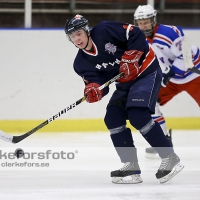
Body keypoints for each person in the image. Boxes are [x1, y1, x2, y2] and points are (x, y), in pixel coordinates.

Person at [64, 14, 184, 184]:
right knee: (112, 117)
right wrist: (94, 90)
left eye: (79, 34)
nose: (76, 39)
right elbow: (99, 84)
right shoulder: (81, 63)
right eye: (72, 36)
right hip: (125, 83)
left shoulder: (104, 30)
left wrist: (133, 55)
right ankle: (131, 166)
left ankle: (169, 157)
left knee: (137, 114)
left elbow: (135, 33)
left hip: (146, 71)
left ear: (86, 31)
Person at [134, 4, 200, 158]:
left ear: (153, 20)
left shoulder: (169, 32)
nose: (143, 26)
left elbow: (187, 53)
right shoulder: (138, 39)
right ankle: (164, 144)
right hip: (172, 80)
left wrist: (170, 71)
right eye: (140, 22)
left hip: (194, 74)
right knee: (149, 105)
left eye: (146, 22)